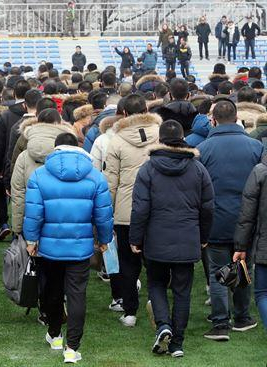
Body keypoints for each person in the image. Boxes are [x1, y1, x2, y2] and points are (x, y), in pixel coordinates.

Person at [23, 132, 113, 364]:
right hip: (80, 248)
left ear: (56, 149)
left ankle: (55, 334)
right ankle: (72, 347)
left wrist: (31, 241)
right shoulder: (95, 177)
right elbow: (103, 216)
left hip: (49, 248)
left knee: (52, 292)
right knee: (76, 295)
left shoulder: (39, 176)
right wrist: (104, 240)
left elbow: (33, 213)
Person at [130, 120, 215, 358]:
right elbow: (208, 207)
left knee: (156, 284)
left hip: (157, 238)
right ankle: (176, 340)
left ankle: (165, 326)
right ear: (183, 138)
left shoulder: (148, 169)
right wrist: (203, 236)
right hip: (186, 237)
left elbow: (140, 208)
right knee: (182, 291)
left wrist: (135, 238)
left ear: (161, 139)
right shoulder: (198, 169)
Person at [197, 99, 262, 341]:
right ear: (236, 119)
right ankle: (242, 317)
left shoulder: (203, 149)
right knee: (244, 266)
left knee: (218, 271)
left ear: (213, 119)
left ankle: (221, 322)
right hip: (248, 220)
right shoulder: (255, 147)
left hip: (216, 219)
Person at [104, 94, 161, 327]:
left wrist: (108, 209)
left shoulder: (116, 140)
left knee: (128, 263)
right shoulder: (160, 133)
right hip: (157, 207)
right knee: (155, 261)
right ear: (146, 109)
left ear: (124, 114)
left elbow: (111, 182)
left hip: (127, 210)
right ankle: (156, 305)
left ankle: (130, 310)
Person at [234, 147, 267, 332]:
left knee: (262, 293)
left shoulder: (260, 171)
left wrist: (241, 245)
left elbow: (247, 214)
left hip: (264, 244)